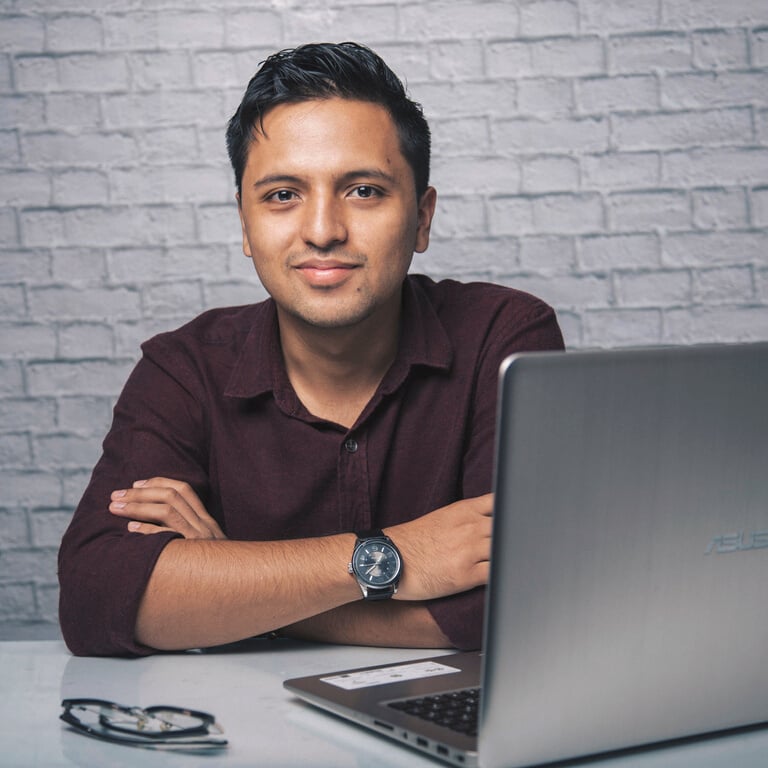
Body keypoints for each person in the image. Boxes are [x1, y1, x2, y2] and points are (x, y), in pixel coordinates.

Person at [58, 42, 564, 657]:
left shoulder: (505, 338)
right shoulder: (183, 369)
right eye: (281, 195)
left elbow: (529, 601)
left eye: (364, 191)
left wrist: (232, 583)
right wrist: (396, 557)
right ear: (245, 226)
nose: (323, 230)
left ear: (422, 218)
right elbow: (96, 599)